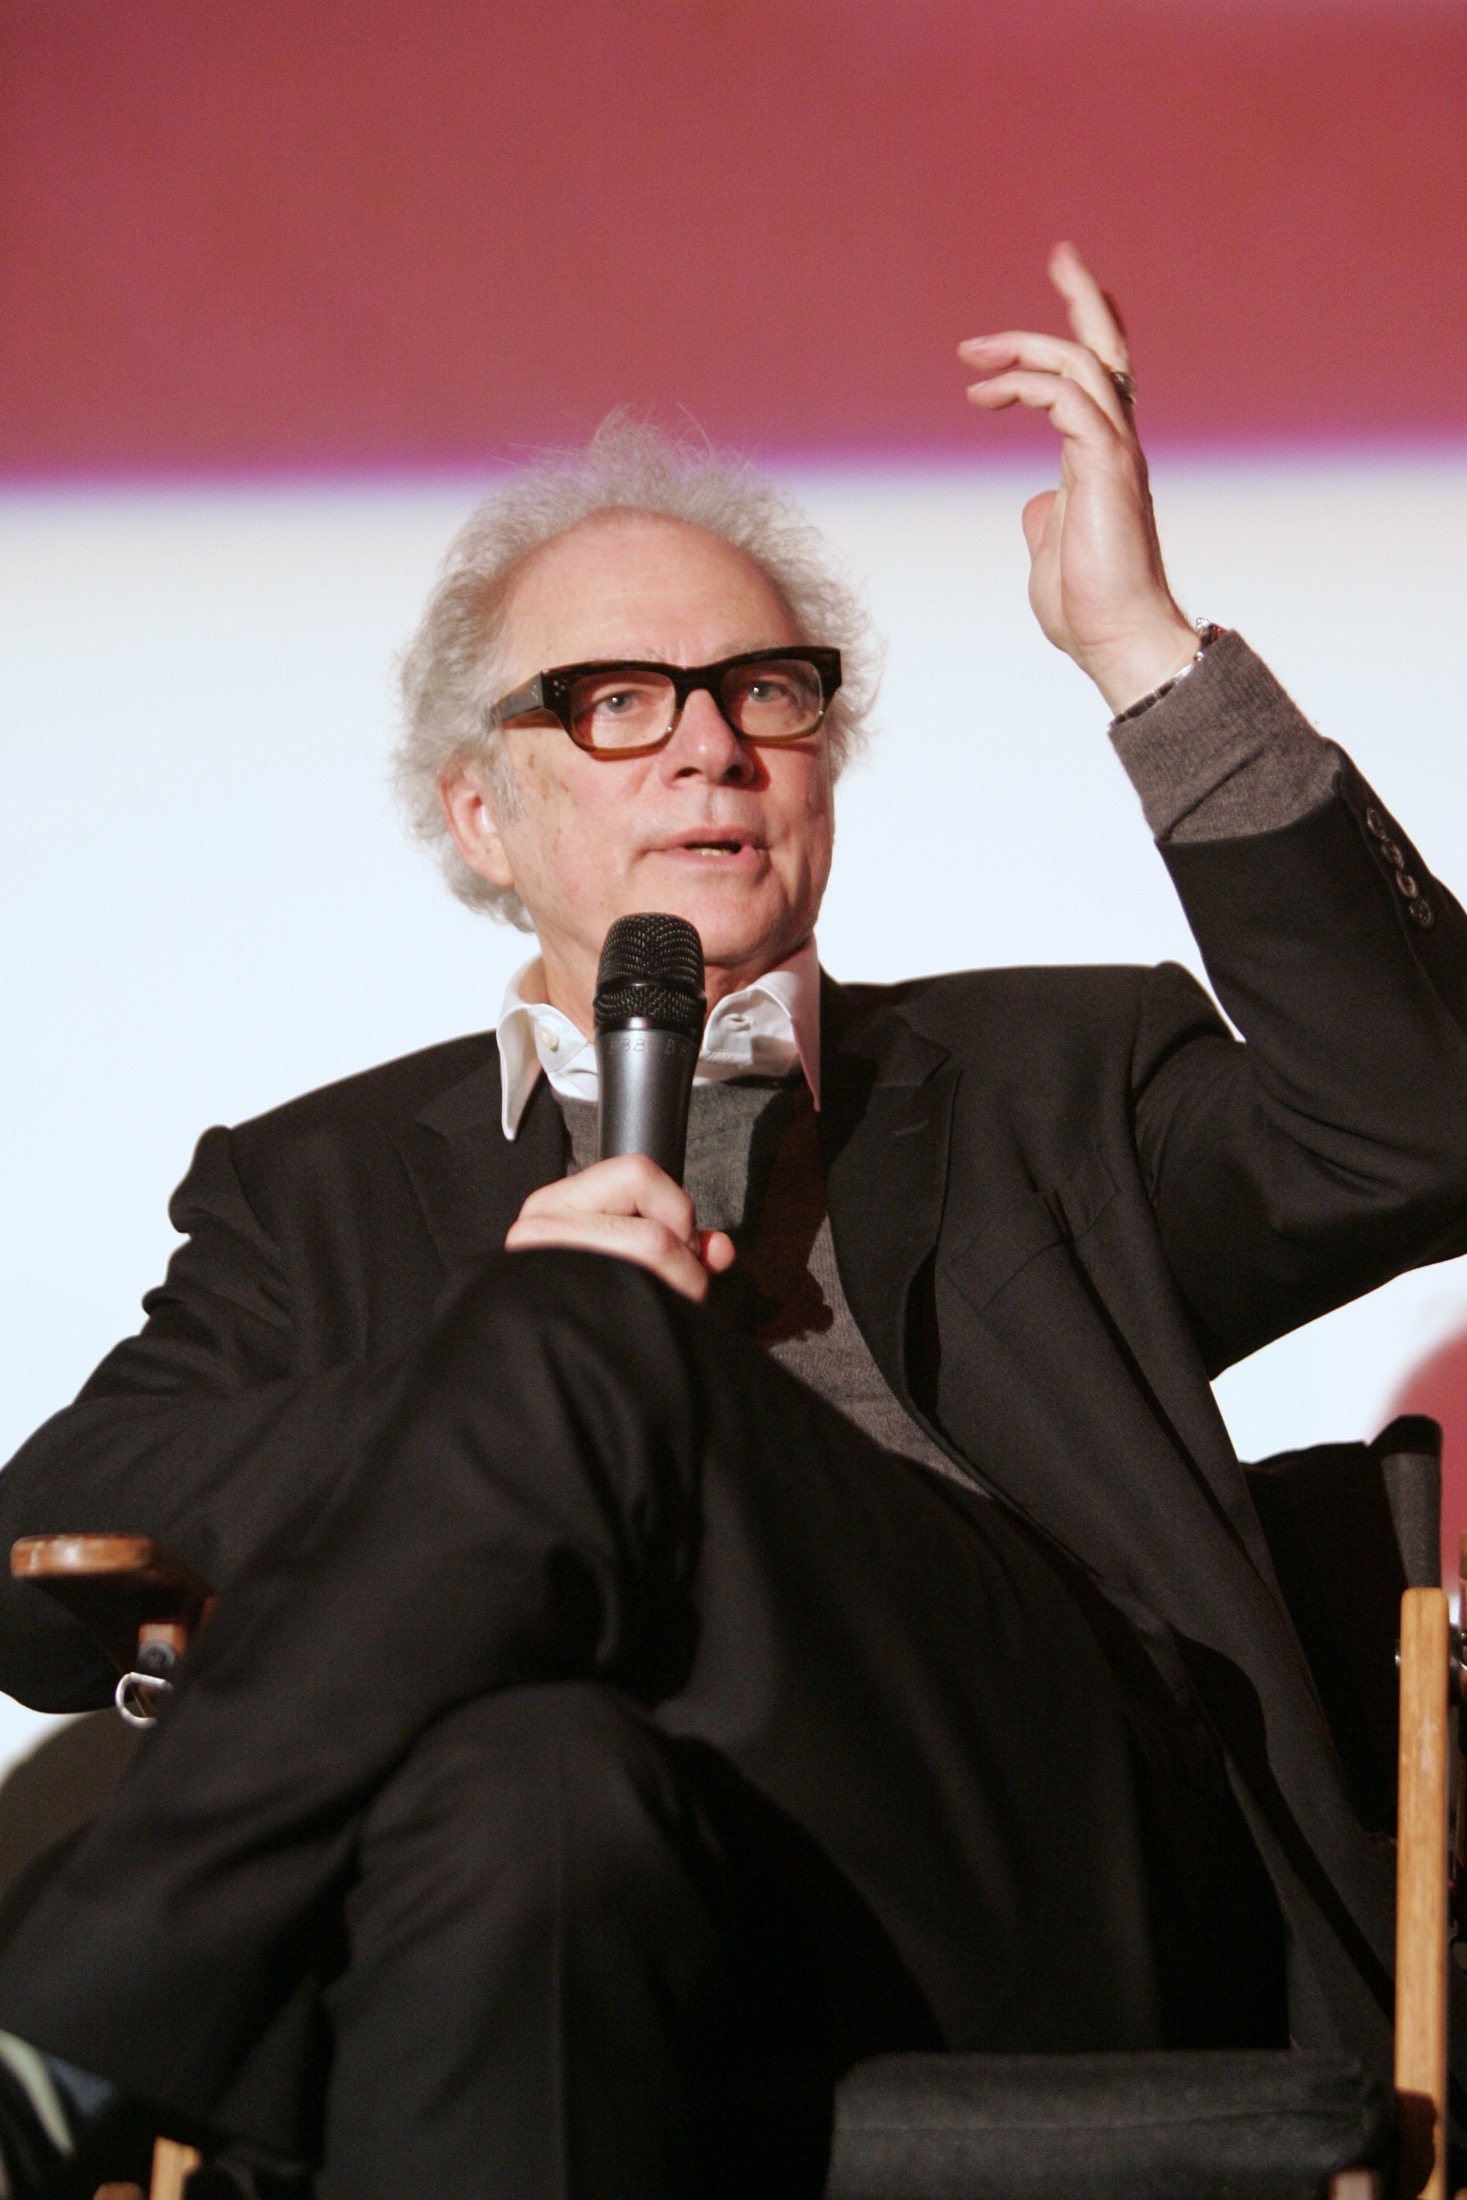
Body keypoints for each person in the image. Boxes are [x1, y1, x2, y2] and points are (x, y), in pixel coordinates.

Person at [0, 244, 1464, 2198]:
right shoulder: (316, 1186)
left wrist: (1141, 649)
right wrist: (488, 1401)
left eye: (763, 691)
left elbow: (1420, 1123)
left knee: (585, 1350)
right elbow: (38, 1562)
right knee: (531, 1792)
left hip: (1032, 1847)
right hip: (606, 1893)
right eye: (615, 701)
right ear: (478, 813)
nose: (710, 744)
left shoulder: (1057, 1071)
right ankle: (108, 2017)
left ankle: (88, 2016)